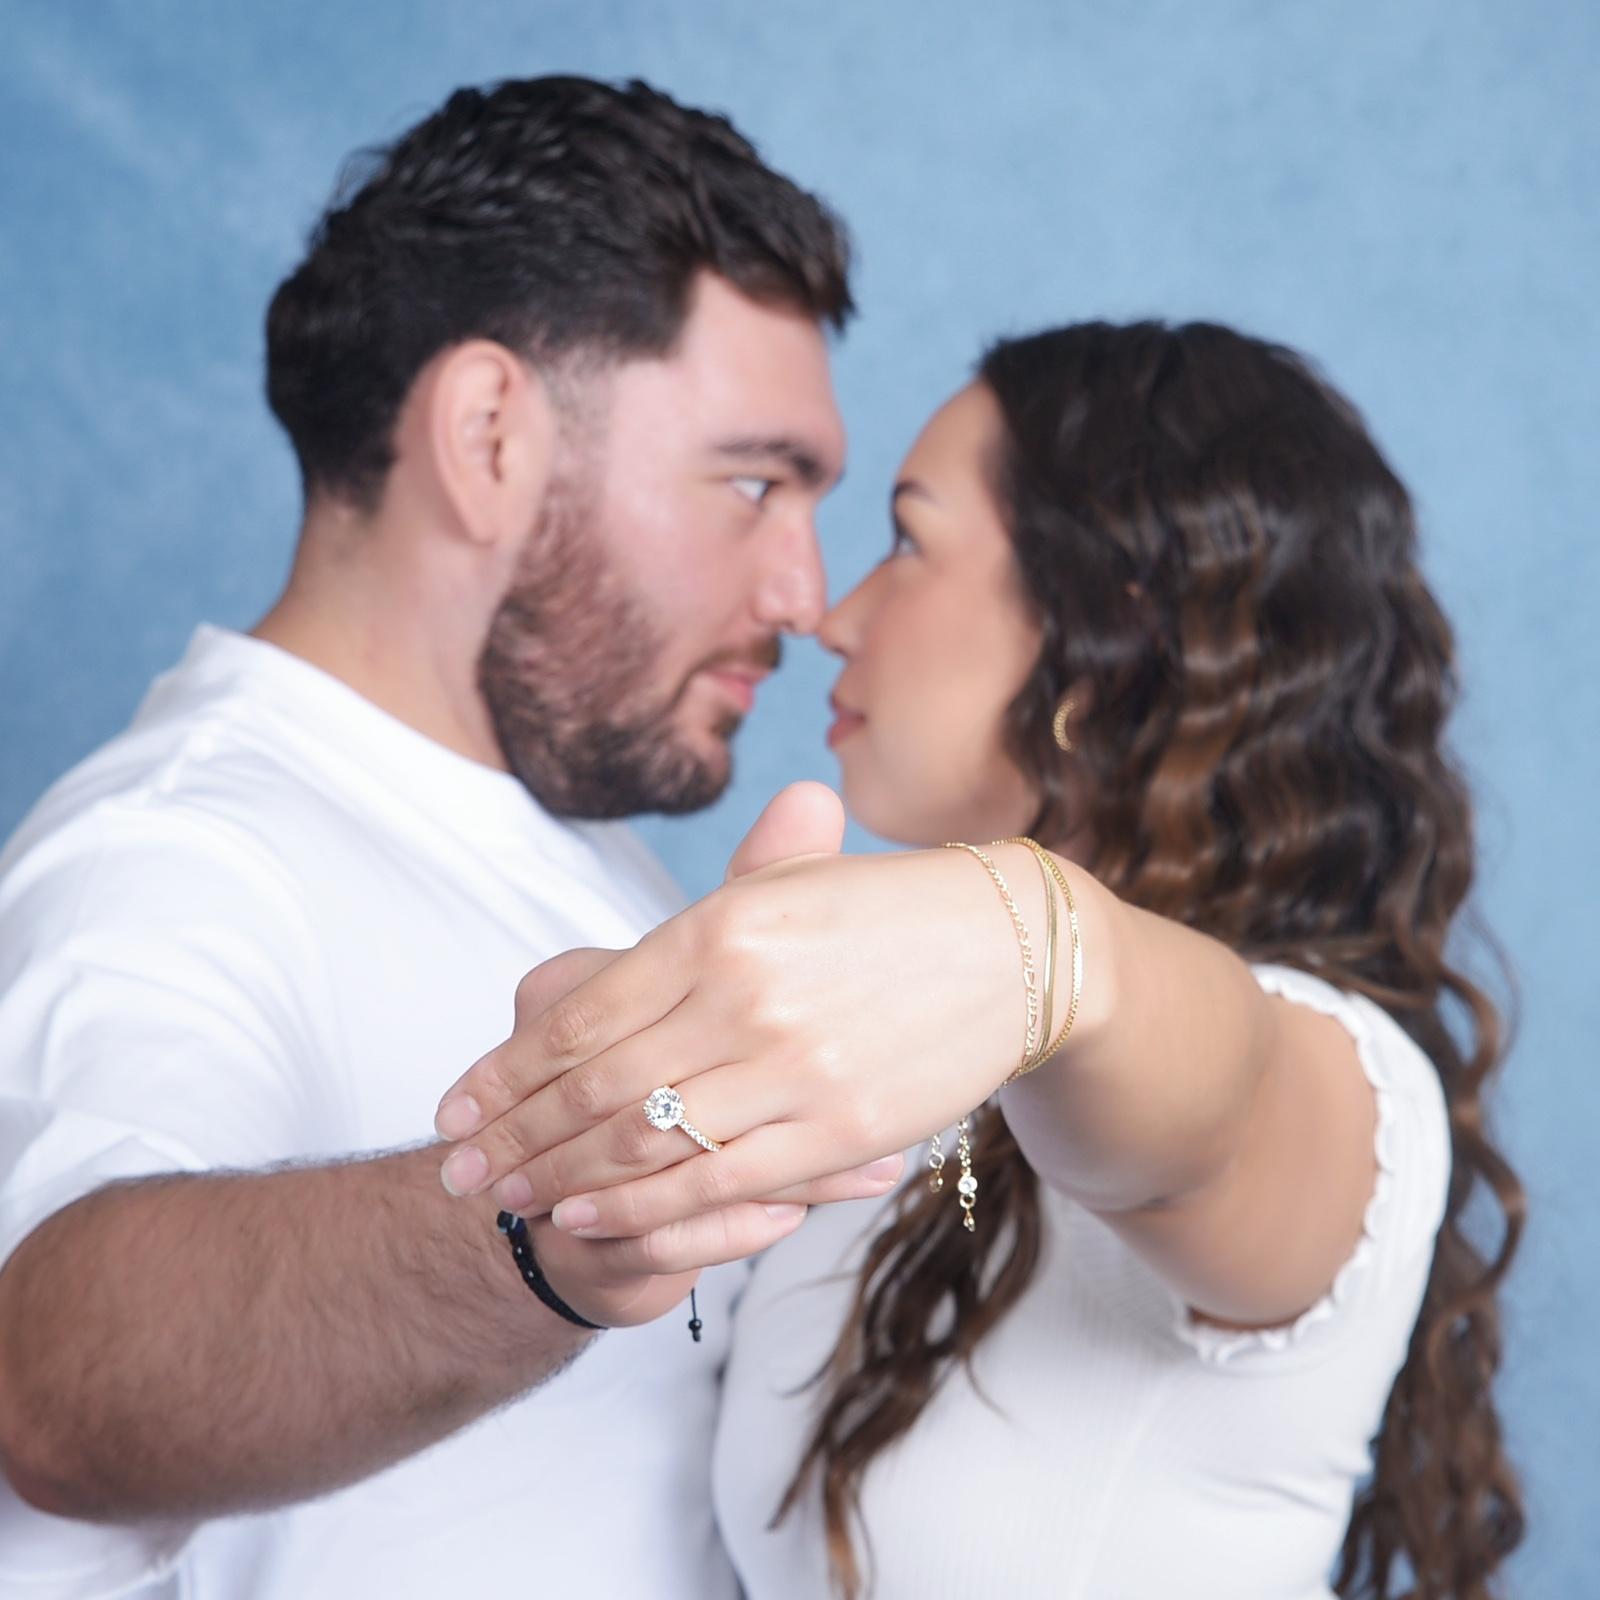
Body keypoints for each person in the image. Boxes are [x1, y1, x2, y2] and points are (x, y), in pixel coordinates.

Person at [436, 322, 1525, 1598]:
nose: (832, 616)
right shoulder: (917, 1104)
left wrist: (1038, 932)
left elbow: (1209, 1084)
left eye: (908, 540)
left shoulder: (1335, 1088)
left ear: (1106, 626)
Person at [0, 75, 907, 1598]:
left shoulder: (587, 859)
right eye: (752, 483)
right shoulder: (167, 859)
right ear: (489, 437)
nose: (803, 594)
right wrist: (549, 1224)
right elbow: (56, 1386)